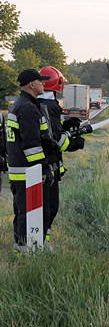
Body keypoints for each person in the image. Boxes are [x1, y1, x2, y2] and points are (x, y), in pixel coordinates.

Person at [37, 66, 85, 245]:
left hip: (42, 166)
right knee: (49, 208)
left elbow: (49, 130)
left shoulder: (40, 103)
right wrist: (74, 144)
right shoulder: (49, 105)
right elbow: (56, 140)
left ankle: (42, 242)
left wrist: (65, 126)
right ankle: (41, 243)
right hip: (47, 166)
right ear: (57, 86)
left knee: (45, 209)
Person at [5, 69, 52, 250]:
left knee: (21, 209)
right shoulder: (27, 108)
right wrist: (42, 167)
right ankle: (24, 247)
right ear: (32, 84)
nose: (44, 84)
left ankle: (20, 244)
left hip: (18, 168)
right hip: (27, 170)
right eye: (40, 81)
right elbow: (31, 146)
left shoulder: (18, 105)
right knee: (26, 210)